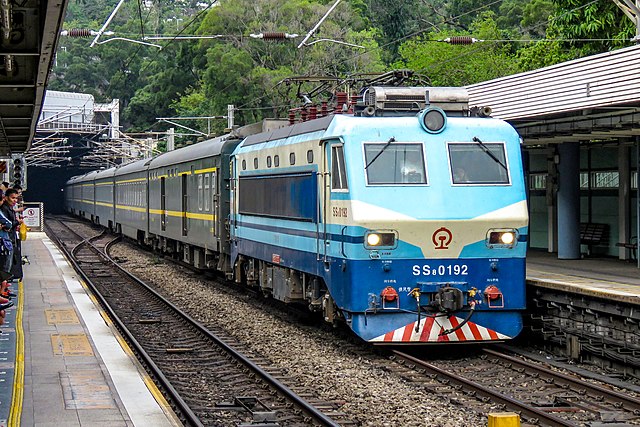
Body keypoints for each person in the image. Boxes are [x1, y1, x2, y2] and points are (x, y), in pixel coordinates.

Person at [1, 189, 21, 280]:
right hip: (6, 240)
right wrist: (17, 222)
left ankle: (4, 288)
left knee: (8, 265)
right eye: (13, 198)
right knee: (6, 266)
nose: (15, 200)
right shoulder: (4, 209)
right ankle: (2, 289)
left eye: (16, 198)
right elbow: (8, 225)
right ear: (6, 198)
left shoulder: (9, 209)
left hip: (10, 239)